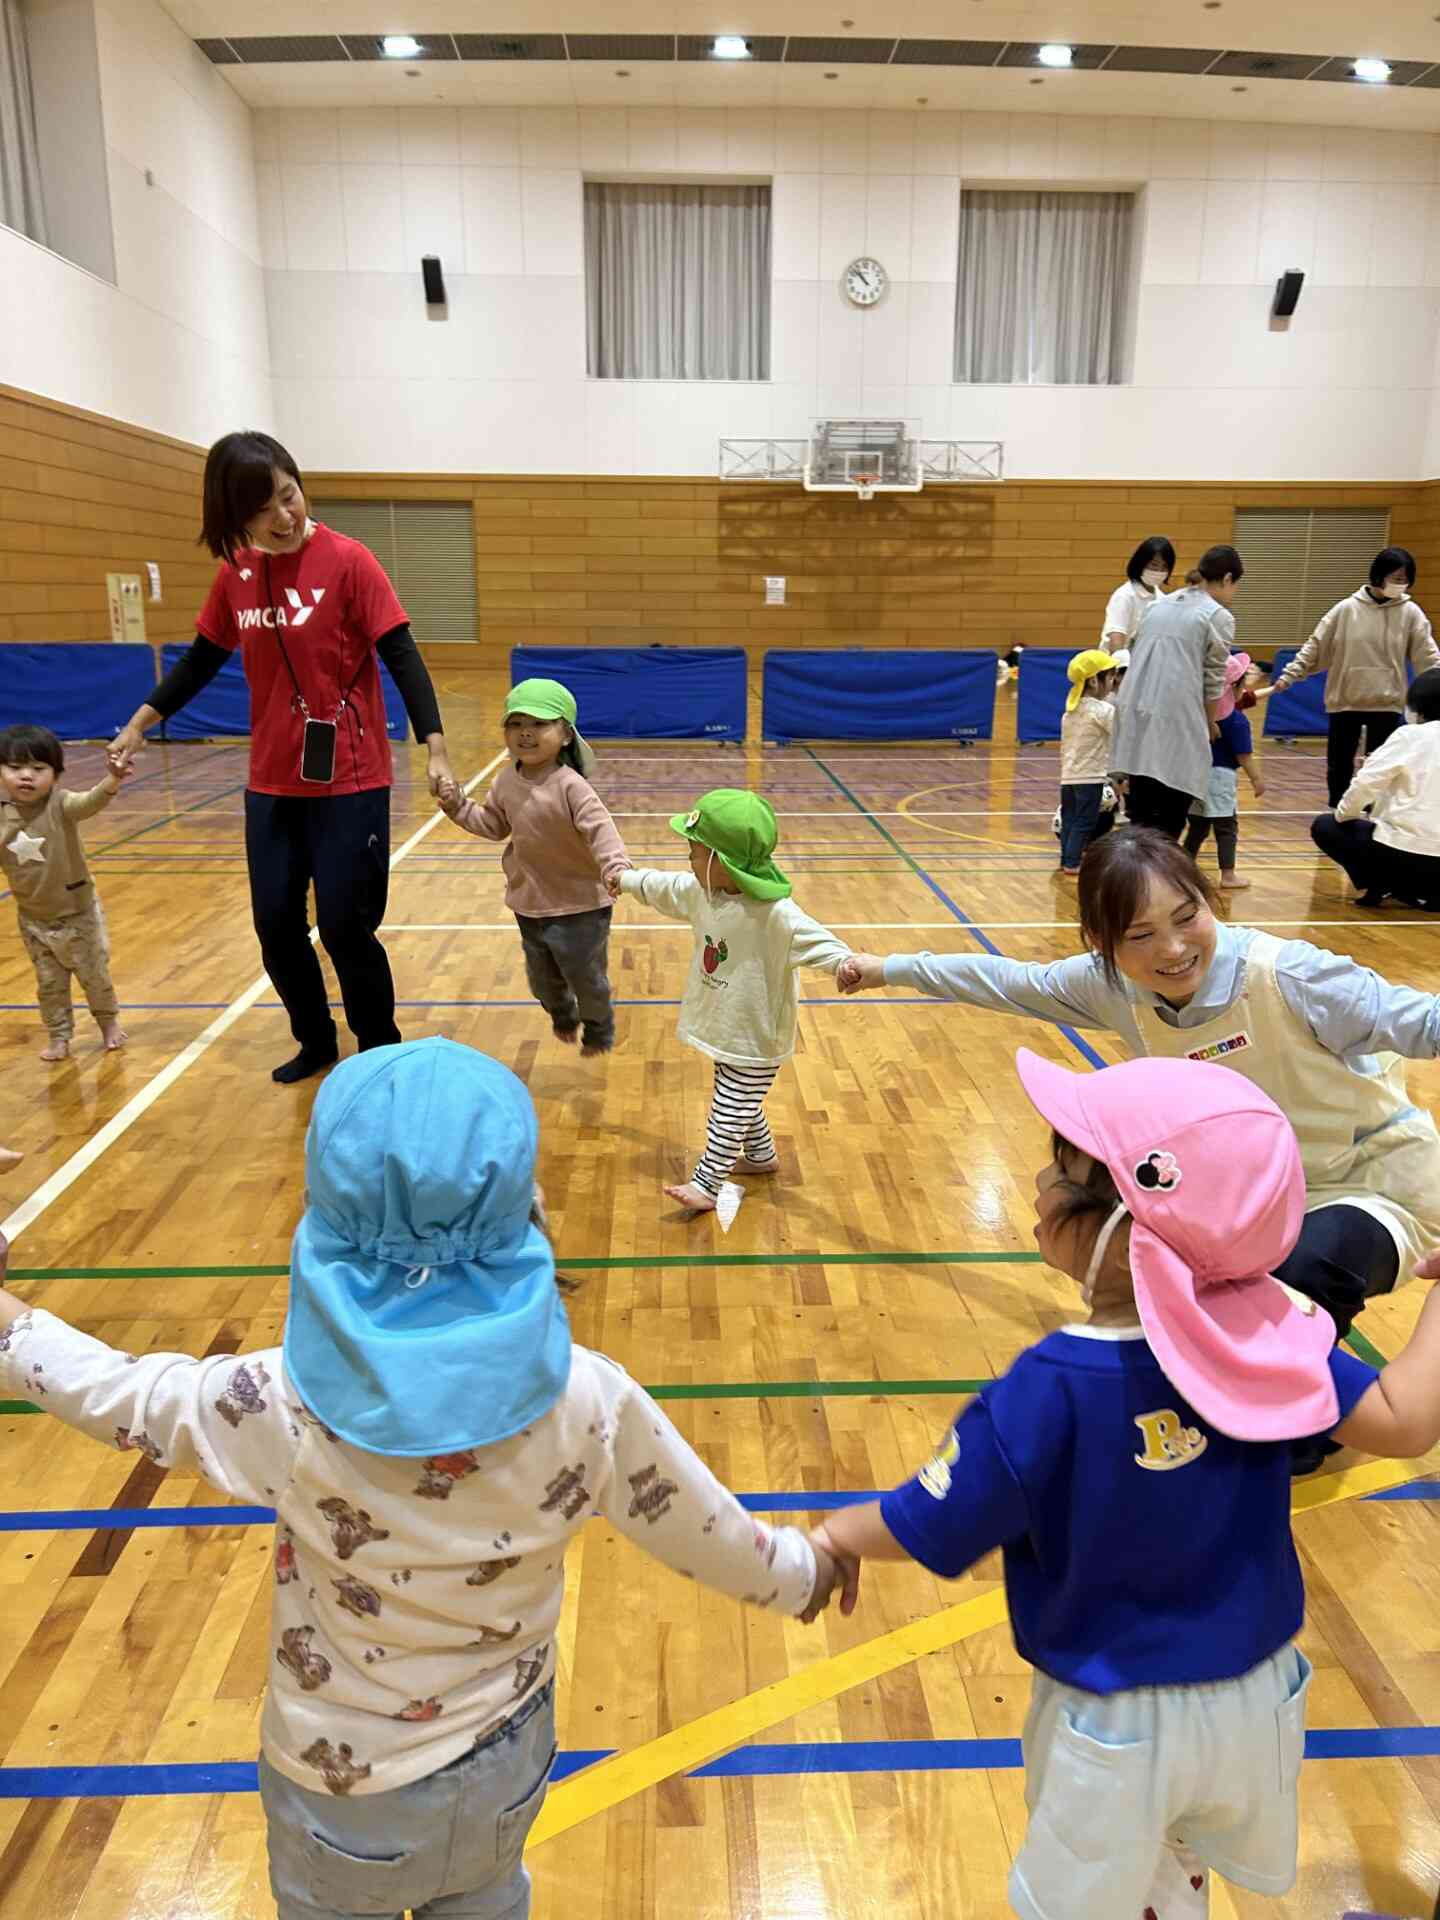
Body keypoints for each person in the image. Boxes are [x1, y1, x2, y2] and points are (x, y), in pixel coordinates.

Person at [0, 1038, 845, 1920]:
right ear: (525, 1204)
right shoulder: (587, 1398)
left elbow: (127, 1393)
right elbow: (704, 1530)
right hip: (505, 1761)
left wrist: (8, 1319)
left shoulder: (279, 1401)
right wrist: (806, 1573)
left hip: (337, 1780)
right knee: (488, 1895)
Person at [809, 1049, 1440, 1920]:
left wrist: (839, 1535)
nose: (1039, 1188)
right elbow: (1406, 1420)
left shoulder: (1047, 1389)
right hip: (1254, 1698)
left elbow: (933, 1520)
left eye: (1063, 1173)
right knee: (1179, 1870)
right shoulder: (1271, 1335)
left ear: (1128, 1230)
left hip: (1114, 1720)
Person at [836, 829, 1440, 1417]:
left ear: (1209, 901)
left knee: (1301, 1272)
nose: (1172, 949)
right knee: (1144, 1256)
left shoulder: (1292, 977)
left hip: (1371, 1185)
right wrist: (889, 968)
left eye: (1187, 917)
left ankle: (1306, 1416)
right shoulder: (1110, 987)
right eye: (1141, 934)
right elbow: (1010, 981)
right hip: (1246, 1199)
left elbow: (1429, 1023)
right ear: (1101, 942)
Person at [106, 432, 455, 1085]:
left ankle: (378, 1048)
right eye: (263, 509)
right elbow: (201, 659)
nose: (284, 516)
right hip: (272, 783)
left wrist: (435, 746)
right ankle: (315, 1039)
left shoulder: (350, 561)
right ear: (235, 515)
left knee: (345, 927)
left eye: (289, 495)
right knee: (275, 924)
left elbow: (401, 653)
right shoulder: (236, 575)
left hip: (351, 777)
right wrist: (139, 724)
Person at [612, 789, 850, 1215]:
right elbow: (662, 886)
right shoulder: (702, 893)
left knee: (729, 1106)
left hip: (757, 1034)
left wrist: (847, 965)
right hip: (726, 1023)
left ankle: (707, 1184)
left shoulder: (777, 914)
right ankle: (761, 1156)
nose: (688, 858)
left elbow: (822, 943)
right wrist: (626, 880)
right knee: (738, 1098)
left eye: (694, 850)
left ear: (722, 860)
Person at [437, 679, 630, 1056]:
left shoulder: (571, 786)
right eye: (516, 724)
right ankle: (561, 1013)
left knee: (584, 974)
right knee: (542, 980)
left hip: (581, 905)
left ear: (566, 735)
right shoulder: (506, 780)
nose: (526, 732)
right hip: (530, 902)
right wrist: (458, 807)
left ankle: (598, 1025)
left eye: (539, 724)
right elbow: (494, 825)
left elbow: (600, 829)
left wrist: (616, 866)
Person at [1260, 546, 1439, 809]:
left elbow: (1428, 656)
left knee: (1379, 766)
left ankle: (1373, 815)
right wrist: (1290, 675)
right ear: (1379, 575)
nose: (1400, 584)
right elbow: (1316, 645)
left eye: (1405, 579)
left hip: (1386, 704)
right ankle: (1338, 813)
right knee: (1339, 765)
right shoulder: (1346, 610)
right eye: (1396, 578)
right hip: (1345, 700)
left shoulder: (1410, 613)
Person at [0, 723, 130, 1062]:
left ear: (56, 775)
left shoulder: (60, 805)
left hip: (78, 914)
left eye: (38, 768)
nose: (26, 776)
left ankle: (108, 1023)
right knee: (49, 984)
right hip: (33, 919)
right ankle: (59, 1035)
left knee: (94, 976)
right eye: (15, 767)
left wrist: (113, 779)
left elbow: (90, 801)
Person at [1109, 546, 1239, 839]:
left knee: (1140, 815)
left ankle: (1136, 865)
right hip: (1177, 719)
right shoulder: (1218, 616)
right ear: (1227, 578)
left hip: (1136, 714)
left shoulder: (1158, 605)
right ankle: (1157, 866)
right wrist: (1209, 723)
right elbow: (1213, 680)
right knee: (1169, 819)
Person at [1312, 664, 1440, 910]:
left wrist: (1344, 816)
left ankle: (1383, 883)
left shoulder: (1409, 735)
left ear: (1418, 705)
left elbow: (1366, 783)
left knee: (1326, 826)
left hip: (1401, 851)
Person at [1184, 653, 1266, 890]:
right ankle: (1228, 875)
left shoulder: (1200, 716)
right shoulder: (1237, 721)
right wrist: (1257, 779)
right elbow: (1244, 756)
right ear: (1235, 687)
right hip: (1220, 779)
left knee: (1198, 827)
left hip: (1195, 776)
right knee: (1226, 827)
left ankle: (1183, 869)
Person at [1057, 651, 1120, 878]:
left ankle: (1066, 858)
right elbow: (1120, 735)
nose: (1113, 683)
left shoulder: (1070, 712)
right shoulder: (1102, 711)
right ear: (1094, 680)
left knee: (1069, 820)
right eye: (1110, 677)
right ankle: (1073, 862)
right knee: (1085, 820)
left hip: (1068, 777)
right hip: (1090, 776)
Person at [1102, 535, 1175, 651]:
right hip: (1119, 660)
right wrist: (1122, 661)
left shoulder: (1162, 599)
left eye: (1164, 567)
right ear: (1141, 563)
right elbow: (1116, 641)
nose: (1159, 571)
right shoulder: (1125, 596)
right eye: (1154, 565)